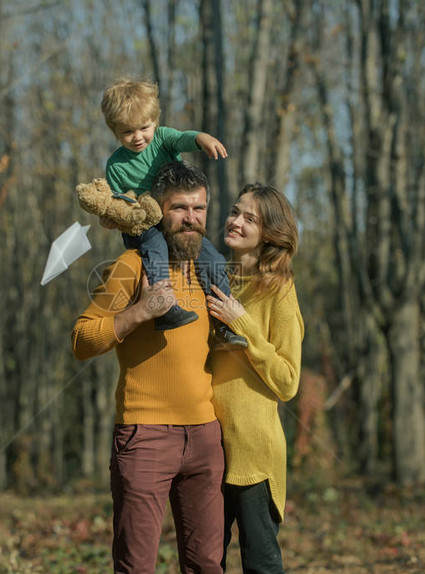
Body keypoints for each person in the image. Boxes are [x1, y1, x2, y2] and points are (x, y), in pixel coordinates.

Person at [72, 161, 226, 574]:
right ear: (158, 210)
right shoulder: (132, 266)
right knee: (137, 566)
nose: (191, 219)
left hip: (206, 437)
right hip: (145, 436)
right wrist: (140, 312)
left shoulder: (209, 270)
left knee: (208, 565)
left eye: (199, 208)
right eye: (179, 208)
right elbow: (82, 340)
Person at [99, 78, 246, 349]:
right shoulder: (116, 165)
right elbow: (115, 200)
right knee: (155, 245)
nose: (138, 137)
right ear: (115, 131)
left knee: (212, 258)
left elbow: (183, 138)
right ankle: (165, 307)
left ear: (155, 120)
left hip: (177, 226)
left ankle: (224, 325)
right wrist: (114, 216)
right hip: (144, 226)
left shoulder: (163, 139)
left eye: (144, 127)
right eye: (127, 132)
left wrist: (201, 138)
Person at [206, 183, 304, 573]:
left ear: (269, 234)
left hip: (253, 456)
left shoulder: (279, 291)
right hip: (209, 450)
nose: (236, 221)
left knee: (260, 566)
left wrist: (240, 322)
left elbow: (288, 381)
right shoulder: (217, 281)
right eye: (234, 212)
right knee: (205, 561)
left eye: (251, 218)